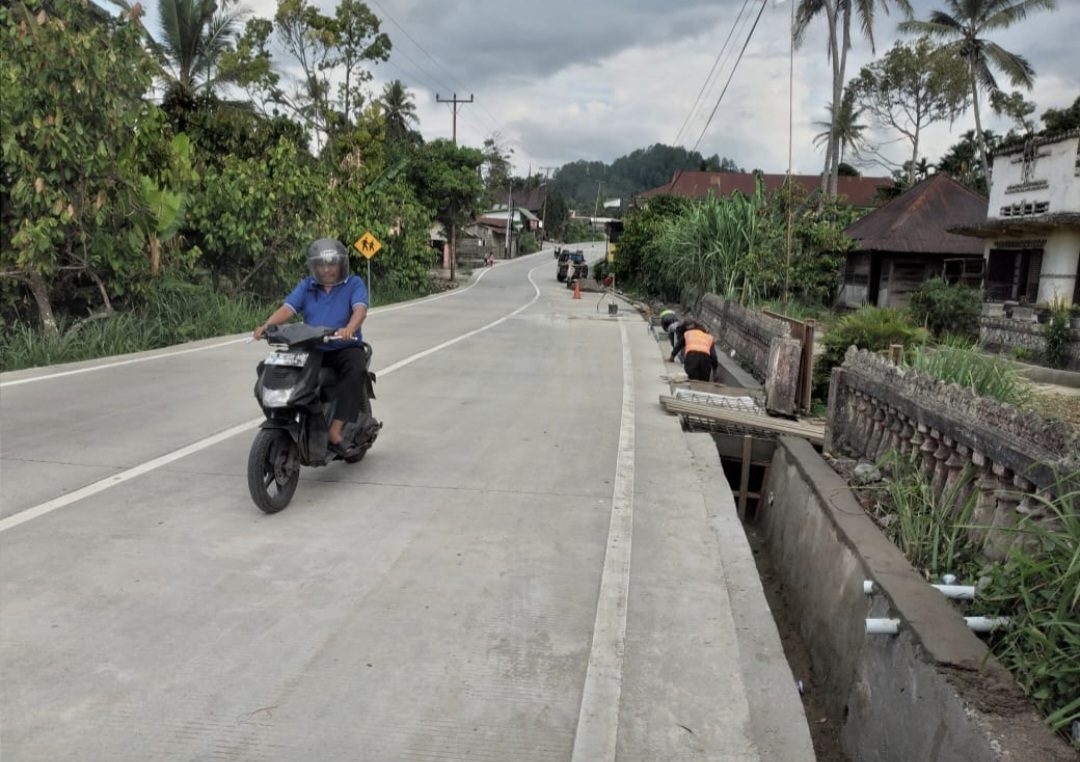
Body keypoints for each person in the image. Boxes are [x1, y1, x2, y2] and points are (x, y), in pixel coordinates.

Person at [254, 238, 370, 456]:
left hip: (343, 346)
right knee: (270, 368)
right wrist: (267, 326)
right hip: (312, 347)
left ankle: (335, 431)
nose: (327, 269)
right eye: (322, 265)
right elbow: (288, 308)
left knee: (355, 369)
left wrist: (349, 328)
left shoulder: (354, 284)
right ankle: (290, 417)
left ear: (341, 264)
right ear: (315, 266)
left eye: (332, 264)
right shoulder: (308, 285)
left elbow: (360, 310)